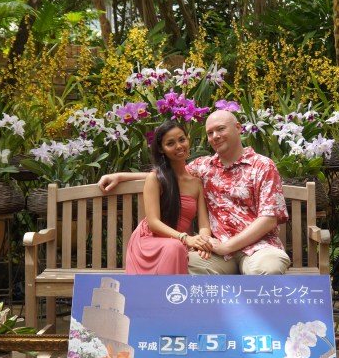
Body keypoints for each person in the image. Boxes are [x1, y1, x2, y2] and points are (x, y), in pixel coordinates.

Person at [101, 110, 291, 275]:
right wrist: (121, 176)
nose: (215, 136)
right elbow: (168, 176)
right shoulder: (204, 167)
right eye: (210, 132)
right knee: (177, 262)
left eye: (221, 129)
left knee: (268, 269)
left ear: (238, 128)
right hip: (215, 251)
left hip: (257, 248)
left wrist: (227, 246)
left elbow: (269, 218)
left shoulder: (262, 166)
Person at [124, 120, 212, 274]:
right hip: (150, 243)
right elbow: (153, 223)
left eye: (182, 139)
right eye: (170, 143)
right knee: (175, 247)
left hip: (177, 244)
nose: (179, 146)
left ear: (188, 139)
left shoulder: (196, 183)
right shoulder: (155, 179)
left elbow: (204, 225)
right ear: (162, 149)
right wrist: (186, 239)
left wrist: (203, 242)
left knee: (176, 247)